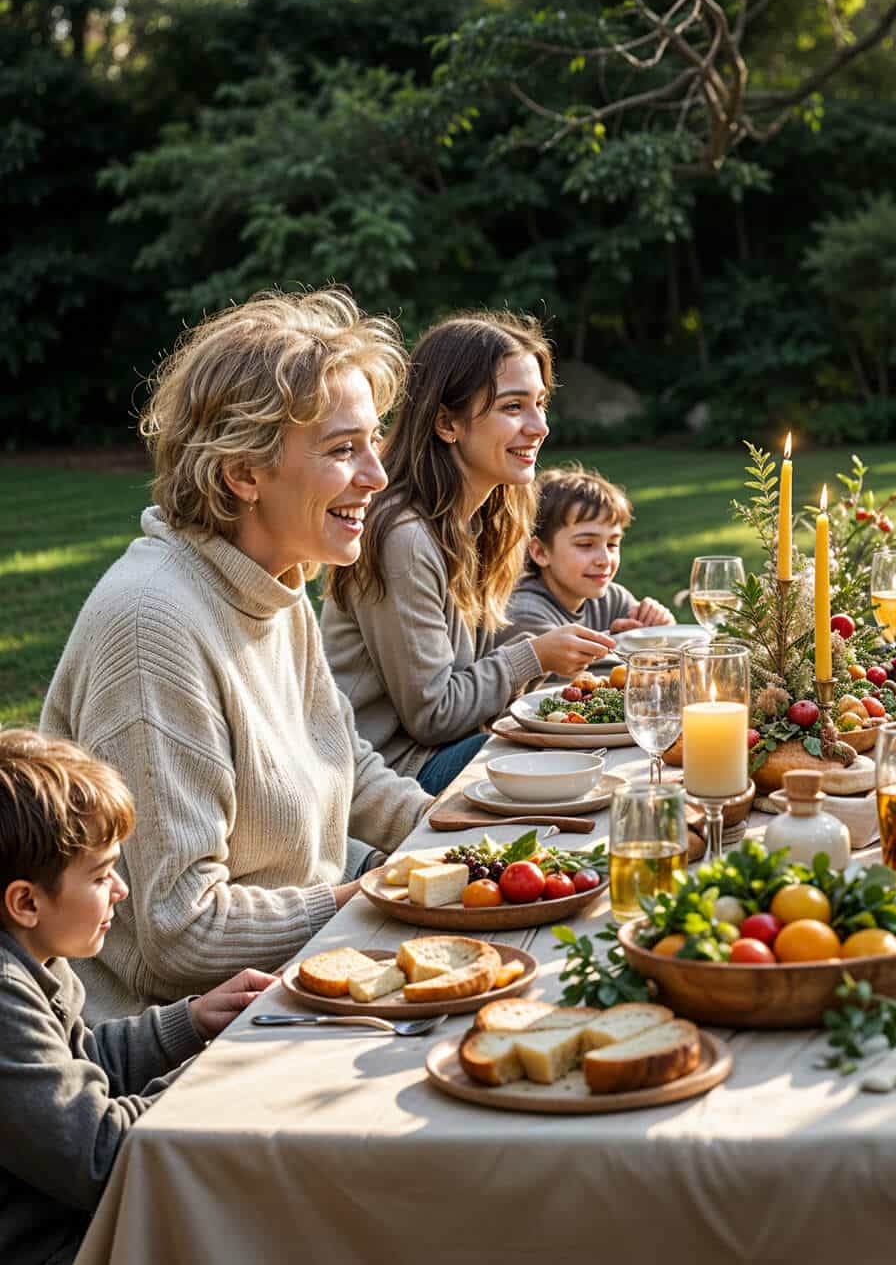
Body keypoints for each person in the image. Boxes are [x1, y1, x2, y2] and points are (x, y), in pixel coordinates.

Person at [41, 289, 432, 1020]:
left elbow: (349, 767)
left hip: (295, 980)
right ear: (243, 473)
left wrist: (464, 828)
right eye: (344, 449)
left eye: (373, 442)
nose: (378, 475)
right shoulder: (153, 626)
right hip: (174, 1047)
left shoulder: (276, 580)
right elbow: (179, 935)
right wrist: (373, 893)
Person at [0, 729, 275, 1265]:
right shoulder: (4, 996)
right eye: (101, 875)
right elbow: (102, 1155)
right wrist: (214, 1071)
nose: (121, 889)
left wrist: (192, 1023)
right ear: (26, 900)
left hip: (69, 1249)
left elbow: (79, 1064)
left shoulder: (34, 954)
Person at [321, 313, 615, 794]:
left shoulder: (481, 520)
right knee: (583, 760)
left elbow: (472, 670)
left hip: (457, 743)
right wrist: (535, 655)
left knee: (604, 742)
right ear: (446, 422)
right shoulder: (405, 536)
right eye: (513, 406)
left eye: (540, 403)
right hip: (394, 777)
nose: (538, 426)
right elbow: (432, 715)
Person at [506, 464, 675, 635]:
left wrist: (661, 628)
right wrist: (619, 643)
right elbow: (564, 659)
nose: (605, 560)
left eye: (612, 544)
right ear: (540, 552)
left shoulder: (613, 599)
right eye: (586, 544)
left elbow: (656, 651)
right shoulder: (524, 615)